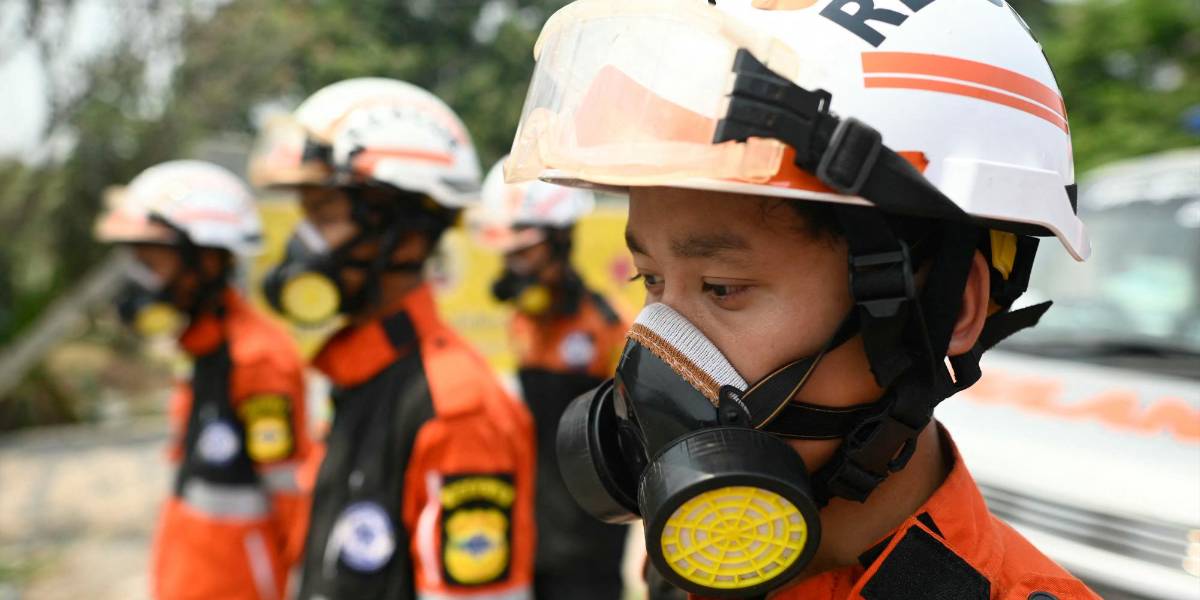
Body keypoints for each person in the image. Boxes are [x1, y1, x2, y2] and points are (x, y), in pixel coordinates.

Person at [506, 0, 1101, 598]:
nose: (659, 345)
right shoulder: (697, 570)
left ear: (948, 312)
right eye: (651, 281)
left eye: (722, 288)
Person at [260, 78, 537, 599]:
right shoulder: (360, 375)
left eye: (322, 216)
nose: (303, 244)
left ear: (407, 234)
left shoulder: (457, 409)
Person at [94, 160, 312, 600]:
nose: (140, 280)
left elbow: (294, 502)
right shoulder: (200, 347)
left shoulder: (257, 359)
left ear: (207, 259)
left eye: (151, 261)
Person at [469, 158, 630, 600]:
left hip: (588, 543)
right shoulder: (522, 321)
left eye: (525, 251)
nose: (515, 267)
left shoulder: (606, 325)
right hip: (529, 531)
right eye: (508, 254)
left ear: (560, 239)